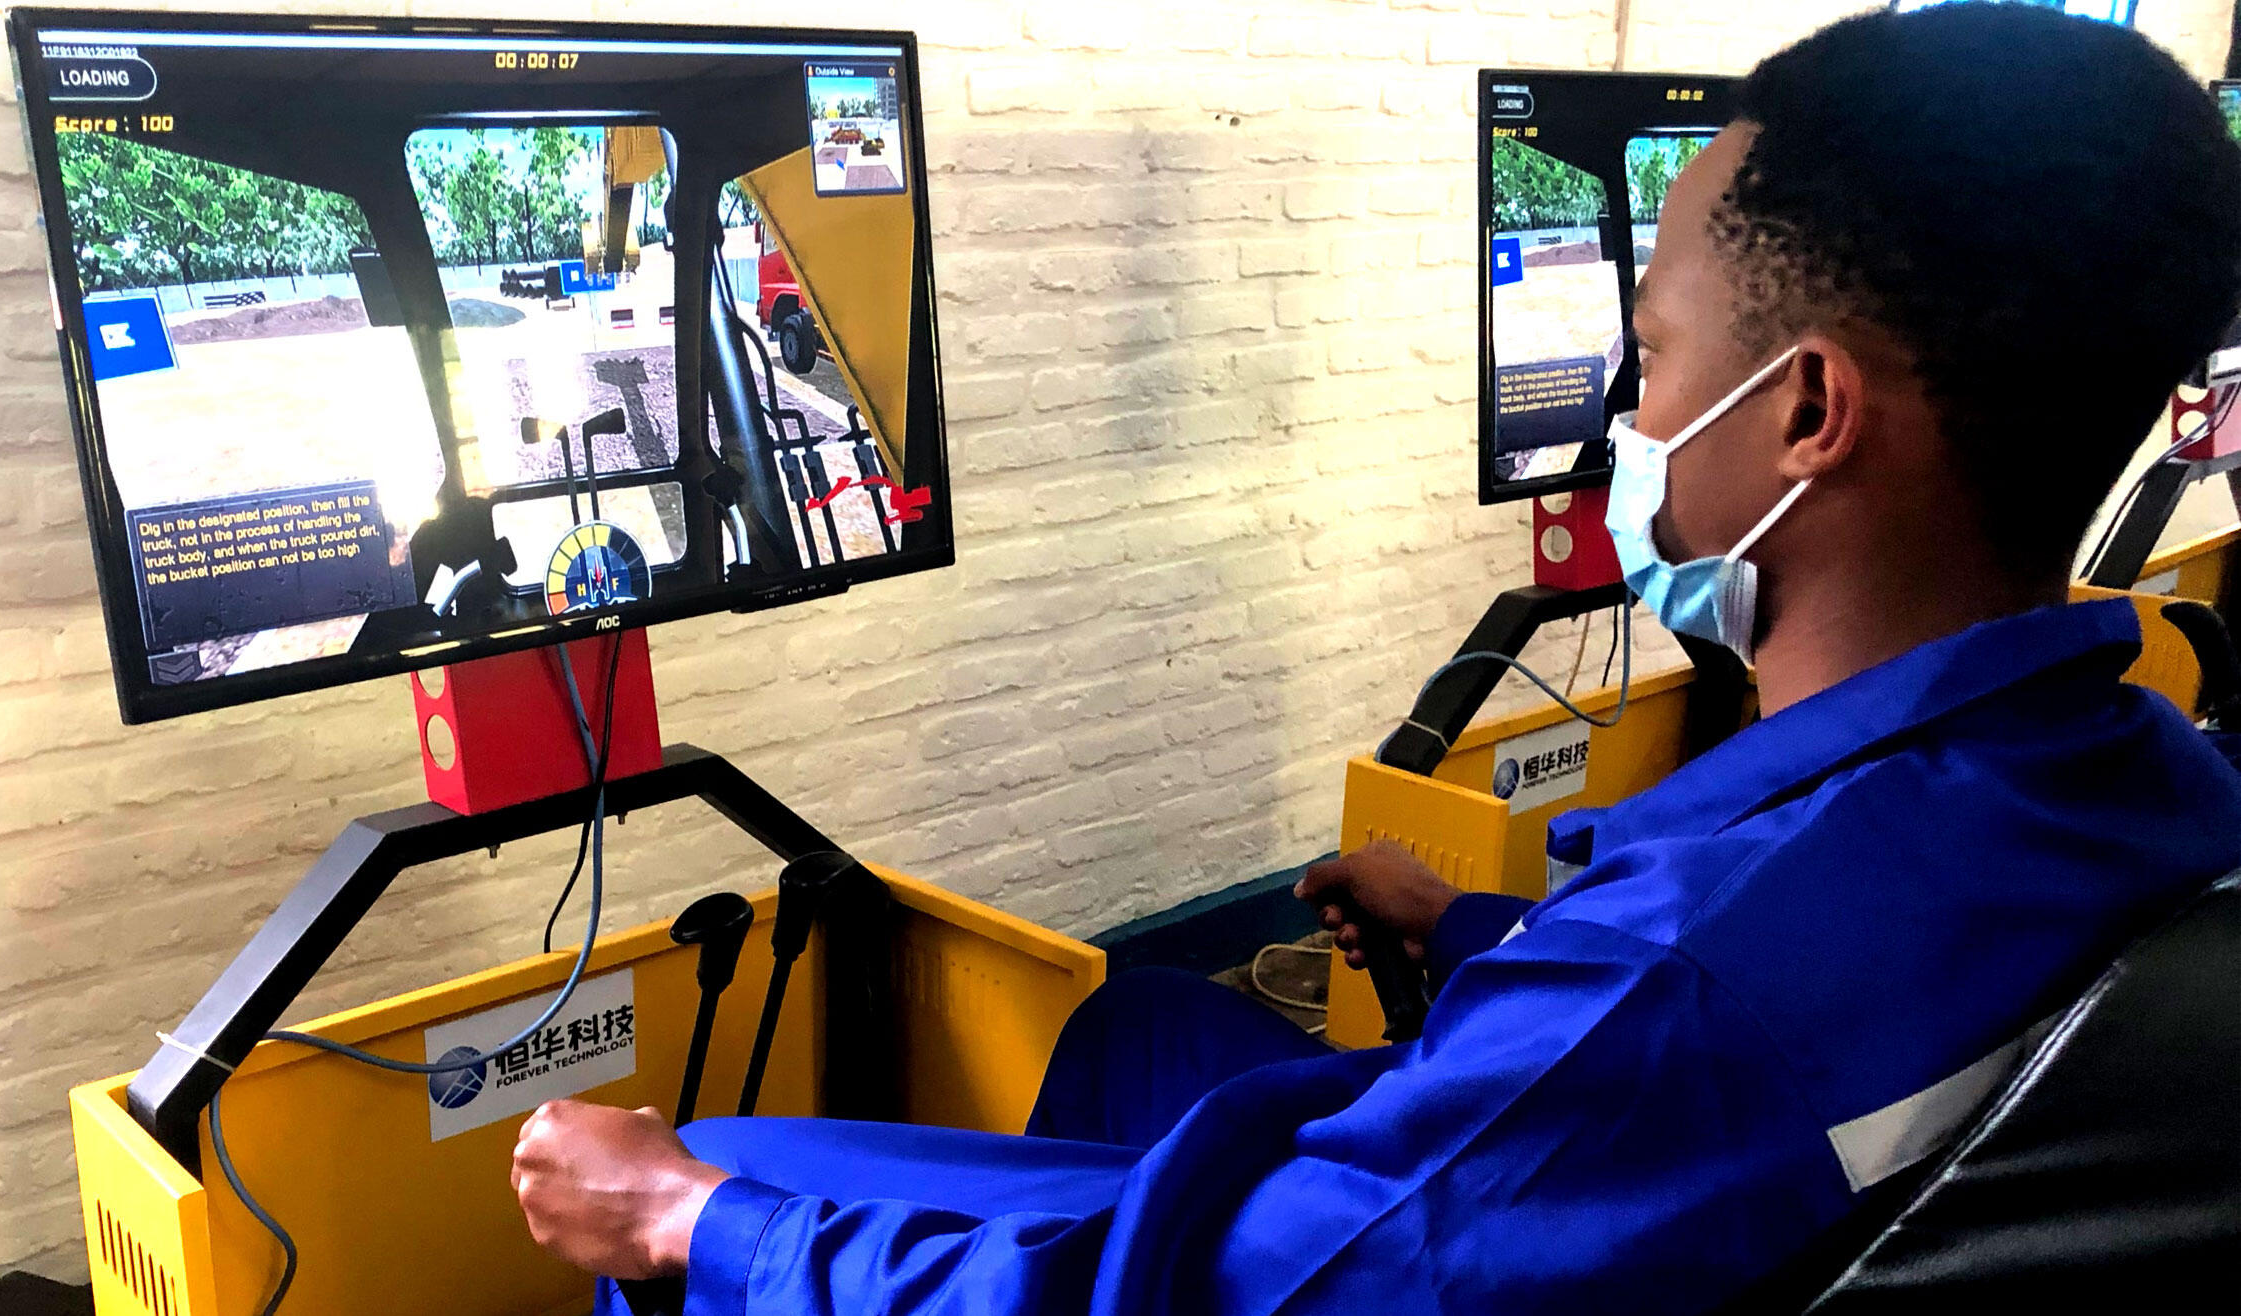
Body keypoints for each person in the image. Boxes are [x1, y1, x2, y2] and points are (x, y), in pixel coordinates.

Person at [509, 8, 2241, 1313]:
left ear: (1802, 412)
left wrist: (690, 1221)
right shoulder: (2161, 773)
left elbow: (1243, 1292)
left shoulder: (1670, 995)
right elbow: (1747, 1050)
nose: (1628, 421)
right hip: (1597, 1167)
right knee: (1142, 1024)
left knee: (713, 1179)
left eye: (1647, 357)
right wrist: (1490, 943)